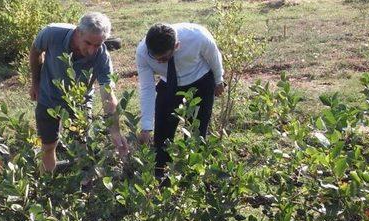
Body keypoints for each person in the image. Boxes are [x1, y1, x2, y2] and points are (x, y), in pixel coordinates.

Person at [29, 12, 129, 172]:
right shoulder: (52, 33)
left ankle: (84, 186)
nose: (91, 50)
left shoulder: (102, 57)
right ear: (78, 32)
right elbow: (35, 51)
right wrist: (35, 82)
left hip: (79, 103)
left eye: (97, 45)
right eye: (88, 43)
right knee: (48, 146)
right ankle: (47, 185)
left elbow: (108, 95)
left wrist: (115, 131)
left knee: (82, 145)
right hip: (48, 97)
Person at [135, 23, 224, 179]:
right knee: (162, 131)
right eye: (156, 59)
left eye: (164, 58)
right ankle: (160, 175)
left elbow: (214, 57)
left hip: (200, 81)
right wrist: (146, 127)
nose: (160, 62)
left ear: (176, 46)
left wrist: (218, 80)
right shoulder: (142, 53)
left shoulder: (198, 36)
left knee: (196, 132)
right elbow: (147, 88)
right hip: (168, 83)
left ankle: (192, 176)